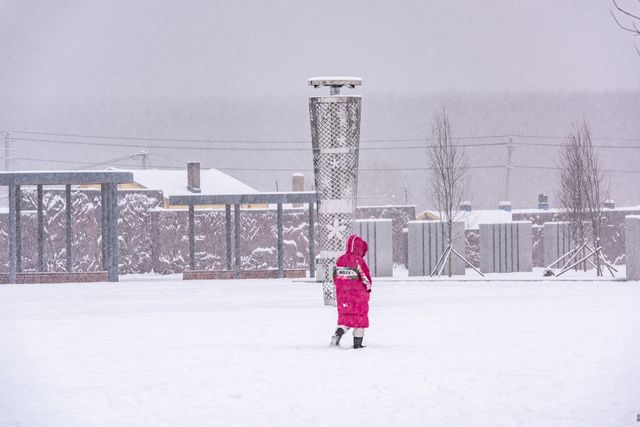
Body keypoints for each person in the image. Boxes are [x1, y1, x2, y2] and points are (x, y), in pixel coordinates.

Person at [330, 234, 372, 349]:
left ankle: (338, 332)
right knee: (359, 319)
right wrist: (368, 289)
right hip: (359, 296)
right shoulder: (359, 261)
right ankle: (357, 344)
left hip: (343, 296)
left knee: (346, 318)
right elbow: (365, 278)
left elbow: (335, 277)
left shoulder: (340, 259)